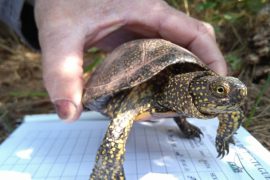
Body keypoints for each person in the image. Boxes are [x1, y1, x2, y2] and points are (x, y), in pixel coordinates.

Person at [0, 0, 227, 121]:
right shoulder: (142, 95)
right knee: (124, 115)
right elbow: (123, 116)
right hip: (125, 91)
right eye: (218, 90)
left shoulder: (186, 92)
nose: (229, 95)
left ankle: (182, 119)